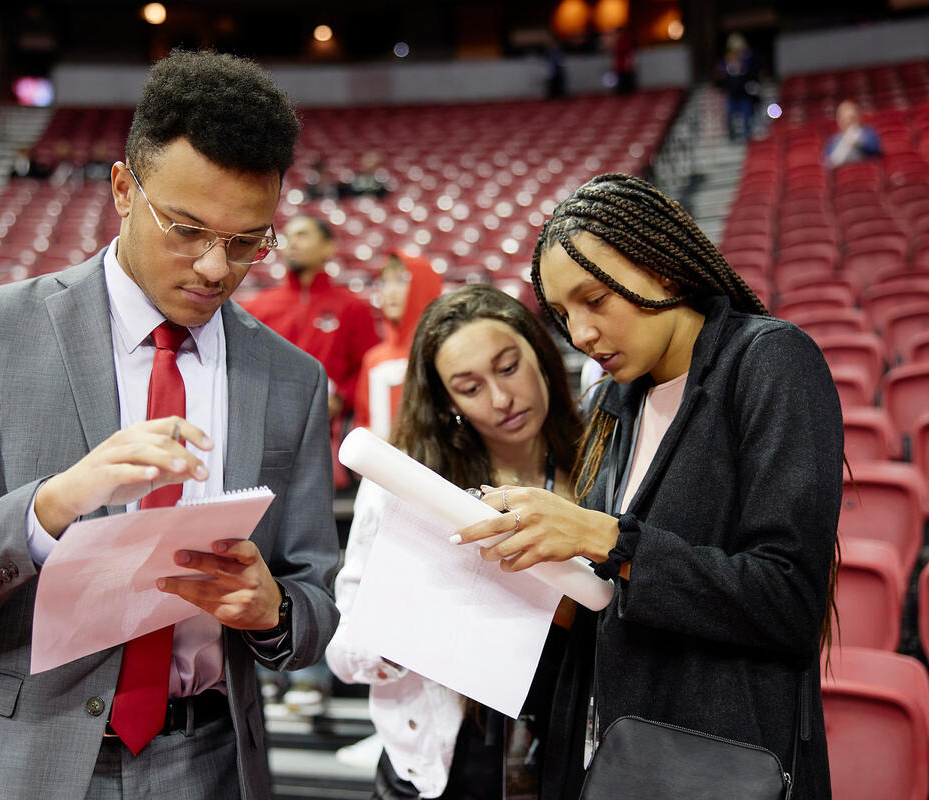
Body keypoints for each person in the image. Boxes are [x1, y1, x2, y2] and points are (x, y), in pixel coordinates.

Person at [0, 49, 340, 800]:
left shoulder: (291, 377)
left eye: (247, 241)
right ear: (124, 189)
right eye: (186, 230)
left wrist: (274, 611)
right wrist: (52, 504)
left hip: (210, 762)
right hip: (13, 763)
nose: (216, 268)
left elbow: (316, 596)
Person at [453, 173, 841, 800]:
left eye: (595, 299)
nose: (579, 334)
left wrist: (607, 540)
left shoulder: (771, 360)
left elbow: (789, 599)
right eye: (562, 314)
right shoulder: (614, 399)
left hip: (719, 763)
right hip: (608, 756)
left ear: (661, 269)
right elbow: (616, 592)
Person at [328, 284, 584, 799]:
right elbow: (346, 651)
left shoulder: (600, 456)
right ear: (448, 403)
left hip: (573, 744)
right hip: (449, 757)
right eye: (469, 387)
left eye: (509, 367)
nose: (501, 399)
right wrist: (421, 622)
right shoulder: (407, 489)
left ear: (540, 354)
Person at [241, 214, 379, 482]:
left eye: (302, 235)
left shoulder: (352, 307)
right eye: (288, 237)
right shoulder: (257, 308)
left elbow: (367, 366)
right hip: (271, 432)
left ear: (329, 247)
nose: (292, 243)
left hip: (331, 436)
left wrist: (341, 400)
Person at [353, 251, 442, 441]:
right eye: (384, 282)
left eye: (401, 280)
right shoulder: (374, 359)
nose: (390, 291)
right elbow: (363, 420)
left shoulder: (442, 351)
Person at [716, 33, 760, 142]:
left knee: (747, 115)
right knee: (729, 115)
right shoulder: (725, 65)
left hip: (744, 95)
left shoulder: (746, 63)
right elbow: (719, 78)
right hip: (732, 96)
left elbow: (753, 73)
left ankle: (747, 135)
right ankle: (732, 136)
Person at [823, 99, 882, 169]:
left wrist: (858, 143)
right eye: (844, 119)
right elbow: (828, 164)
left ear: (858, 117)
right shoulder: (833, 141)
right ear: (839, 121)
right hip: (844, 177)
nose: (848, 123)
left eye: (852, 118)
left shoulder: (868, 134)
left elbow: (876, 151)